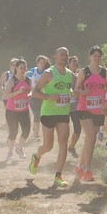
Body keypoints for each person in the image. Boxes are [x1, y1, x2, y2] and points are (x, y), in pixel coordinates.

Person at [29, 47, 74, 188]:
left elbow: (76, 88)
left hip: (63, 113)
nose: (64, 57)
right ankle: (37, 156)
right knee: (48, 146)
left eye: (66, 55)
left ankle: (58, 175)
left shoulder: (70, 74)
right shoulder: (49, 74)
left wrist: (74, 92)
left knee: (63, 143)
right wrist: (49, 96)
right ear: (55, 57)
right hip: (48, 113)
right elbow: (34, 92)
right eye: (61, 55)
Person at [74, 46, 107, 182]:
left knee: (90, 139)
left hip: (99, 109)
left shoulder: (105, 72)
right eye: (94, 56)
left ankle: (79, 166)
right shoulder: (84, 72)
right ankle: (87, 170)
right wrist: (82, 92)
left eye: (99, 56)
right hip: (84, 108)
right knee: (91, 136)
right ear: (89, 57)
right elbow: (76, 88)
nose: (96, 58)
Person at [4, 59, 32, 162]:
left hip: (24, 110)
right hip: (12, 111)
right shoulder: (12, 80)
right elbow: (7, 95)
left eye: (24, 68)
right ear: (16, 68)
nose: (23, 70)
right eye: (21, 68)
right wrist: (18, 92)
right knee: (13, 132)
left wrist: (29, 93)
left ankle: (19, 148)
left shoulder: (28, 80)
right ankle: (10, 152)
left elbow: (30, 92)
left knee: (26, 131)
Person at [27, 55, 51, 141]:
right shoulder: (32, 71)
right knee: (36, 115)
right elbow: (24, 78)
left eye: (44, 63)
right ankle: (36, 133)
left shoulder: (47, 72)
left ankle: (36, 133)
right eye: (41, 63)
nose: (42, 64)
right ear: (37, 63)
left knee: (40, 115)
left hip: (43, 96)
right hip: (33, 96)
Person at [67, 55, 81, 158]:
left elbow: (79, 92)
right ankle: (62, 149)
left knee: (78, 130)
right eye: (73, 61)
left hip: (75, 107)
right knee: (64, 130)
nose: (75, 63)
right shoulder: (63, 75)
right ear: (68, 63)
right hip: (64, 107)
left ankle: (71, 147)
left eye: (77, 61)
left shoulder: (79, 76)